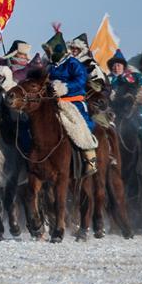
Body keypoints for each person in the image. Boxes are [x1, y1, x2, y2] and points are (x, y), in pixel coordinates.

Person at [43, 28, 97, 175]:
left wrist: (65, 87)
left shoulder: (73, 63)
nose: (48, 55)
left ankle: (90, 157)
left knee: (80, 126)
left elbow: (81, 80)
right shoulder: (50, 67)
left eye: (49, 51)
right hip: (55, 103)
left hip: (74, 102)